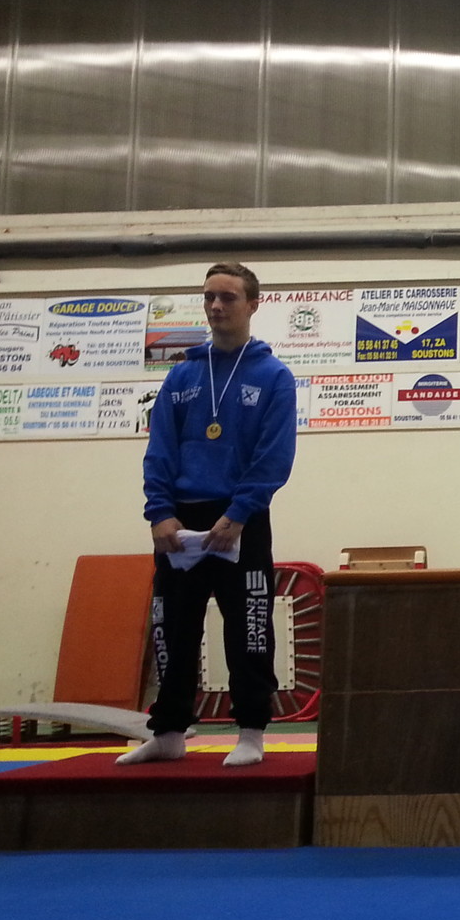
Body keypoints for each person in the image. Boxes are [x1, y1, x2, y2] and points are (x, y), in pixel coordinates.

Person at [119, 263, 297, 768]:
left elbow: (274, 455)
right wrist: (159, 513)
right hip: (179, 521)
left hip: (241, 519)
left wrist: (239, 514)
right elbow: (160, 450)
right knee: (172, 627)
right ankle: (170, 731)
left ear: (252, 304)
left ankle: (251, 731)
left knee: (248, 627)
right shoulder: (181, 375)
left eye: (228, 297)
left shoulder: (273, 377)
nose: (217, 307)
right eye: (209, 298)